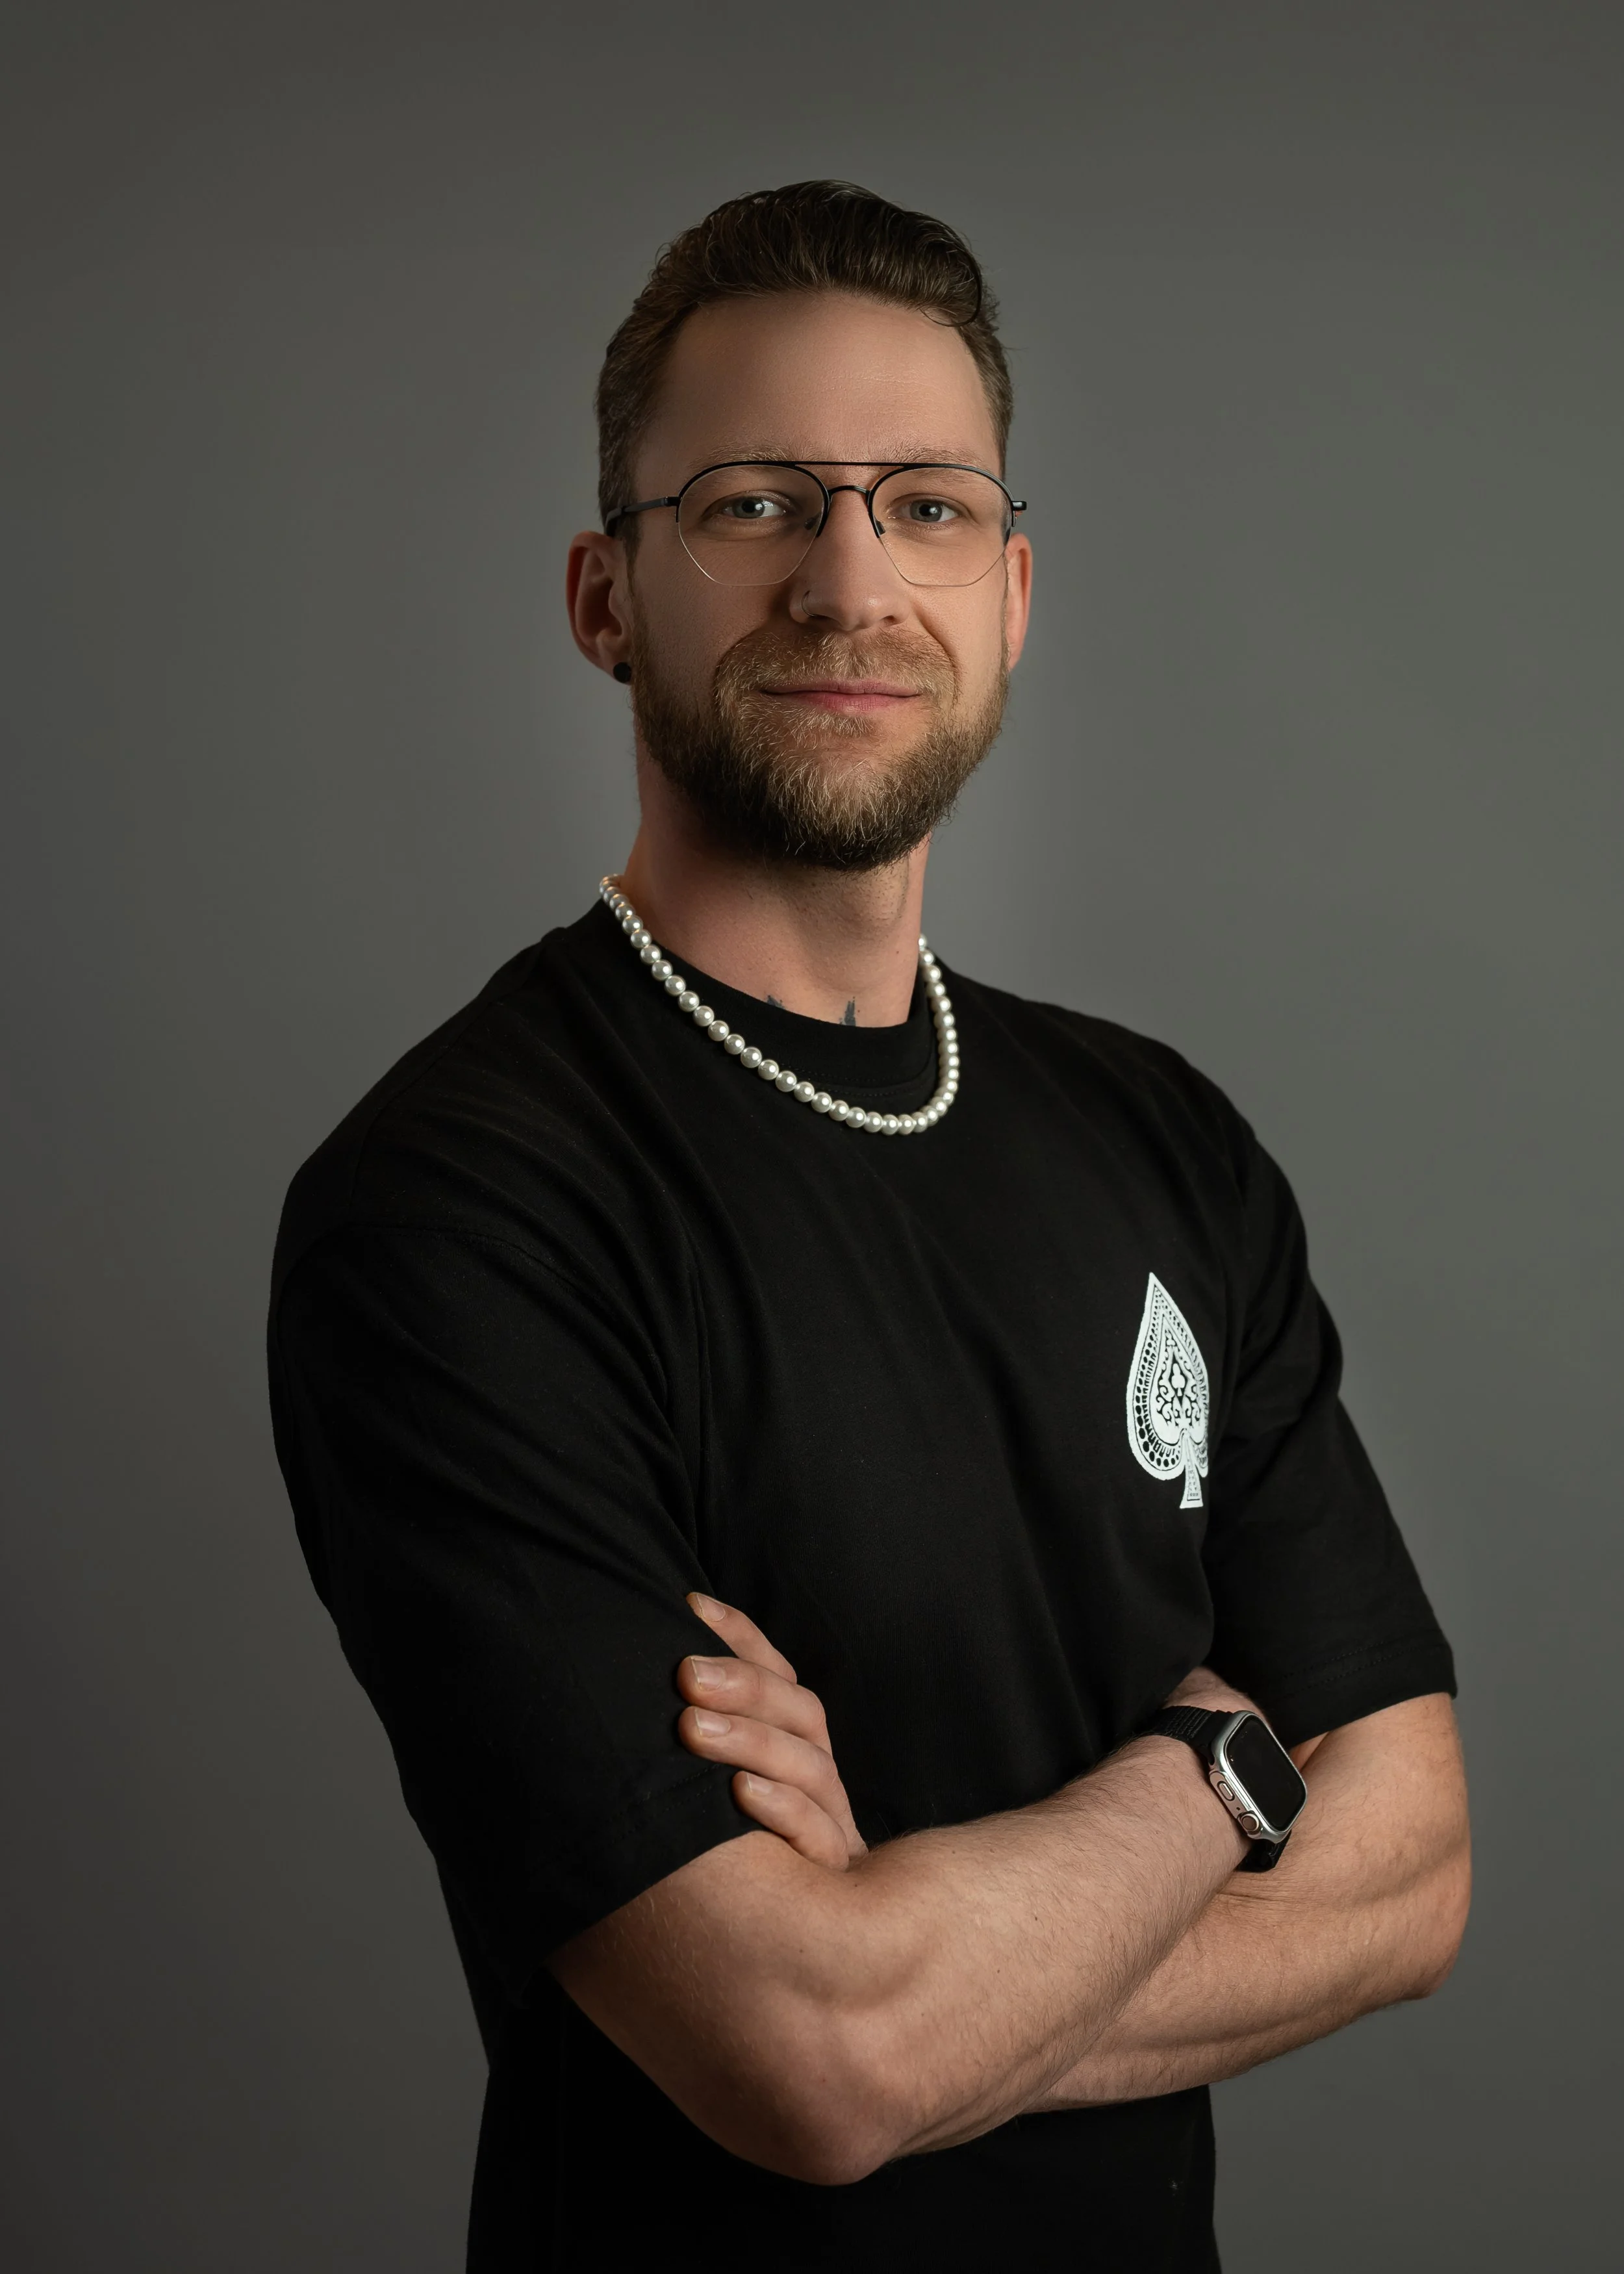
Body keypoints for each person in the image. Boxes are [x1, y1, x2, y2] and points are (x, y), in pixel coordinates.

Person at [268, 181, 1469, 2271]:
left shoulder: (1160, 1141)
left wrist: (923, 1971)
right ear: (602, 597)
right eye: (752, 503)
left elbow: (1416, 1876)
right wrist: (1213, 1772)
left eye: (924, 507)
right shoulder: (459, 1203)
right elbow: (809, 2053)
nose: (848, 582)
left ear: (1009, 593)